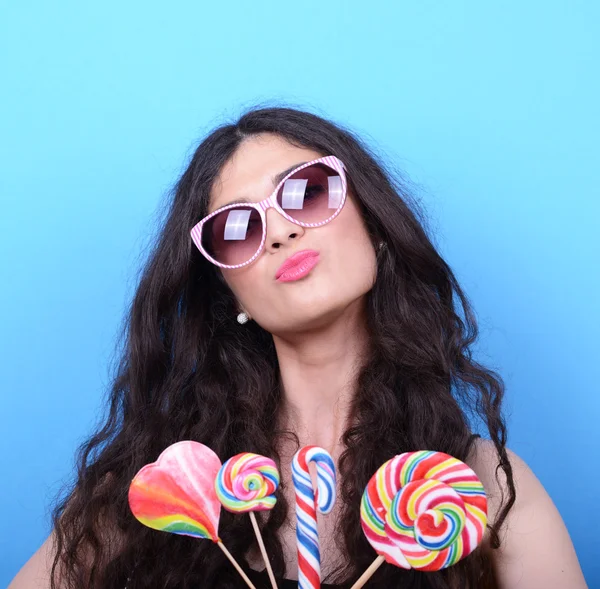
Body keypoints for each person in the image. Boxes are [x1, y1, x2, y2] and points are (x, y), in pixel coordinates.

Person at [9, 106, 587, 589]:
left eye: (307, 192)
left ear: (376, 226)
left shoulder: (479, 484)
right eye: (238, 229)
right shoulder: (168, 484)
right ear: (227, 289)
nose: (282, 232)